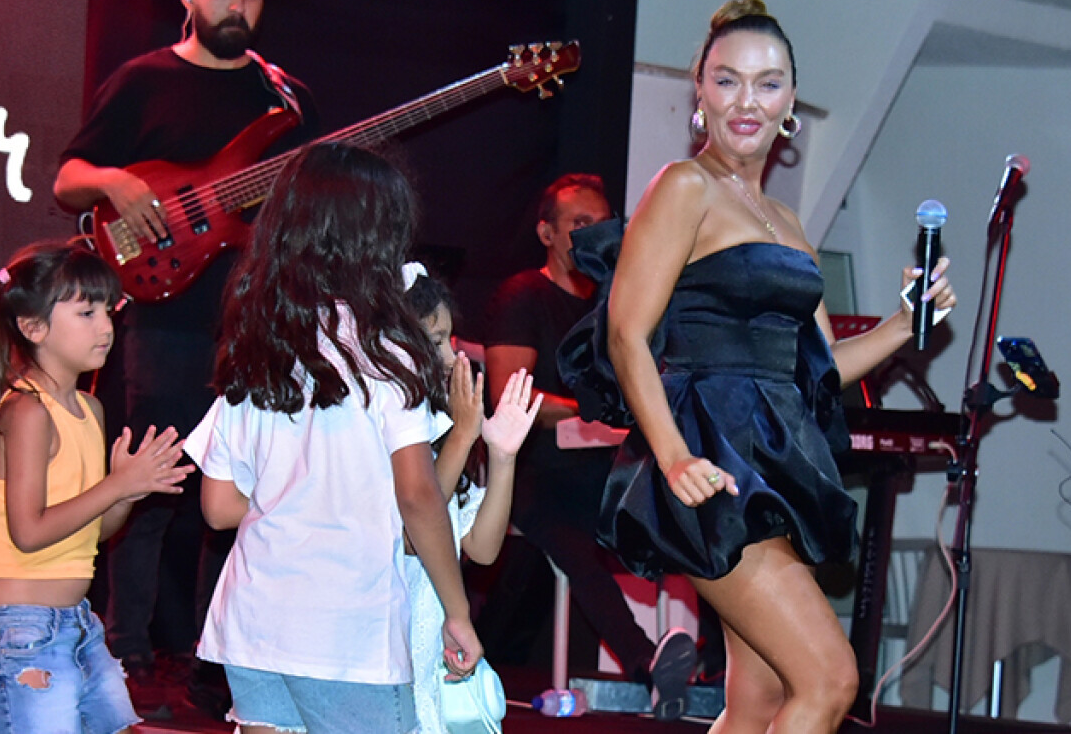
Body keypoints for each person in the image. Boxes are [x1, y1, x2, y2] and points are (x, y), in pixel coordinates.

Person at [597, 0, 957, 733]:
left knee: (757, 701)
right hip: (710, 462)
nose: (746, 102)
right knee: (830, 678)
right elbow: (626, 334)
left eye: (767, 83)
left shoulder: (786, 222)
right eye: (727, 80)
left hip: (772, 466)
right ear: (700, 91)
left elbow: (816, 368)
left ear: (791, 101)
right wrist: (673, 456)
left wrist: (902, 324)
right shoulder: (685, 187)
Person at [53, 0, 317, 715]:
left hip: (252, 321)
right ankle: (125, 650)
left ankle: (215, 659)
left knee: (238, 494)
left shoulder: (281, 96)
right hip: (165, 316)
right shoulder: (144, 80)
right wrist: (115, 183)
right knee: (153, 484)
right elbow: (67, 179)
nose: (237, 5)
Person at [183, 142, 483, 734]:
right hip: (346, 632)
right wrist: (458, 611)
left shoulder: (256, 348)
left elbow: (218, 507)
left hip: (251, 624)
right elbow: (418, 496)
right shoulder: (387, 351)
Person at [0, 238, 193, 733]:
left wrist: (126, 492)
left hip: (73, 621)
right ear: (33, 327)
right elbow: (29, 532)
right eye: (87, 313)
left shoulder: (90, 408)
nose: (106, 327)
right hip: (21, 625)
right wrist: (116, 485)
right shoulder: (27, 410)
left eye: (109, 311)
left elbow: (94, 531)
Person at [482, 173, 697, 718]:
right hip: (540, 475)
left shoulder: (618, 303)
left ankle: (727, 668)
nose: (595, 234)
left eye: (603, 224)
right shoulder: (523, 295)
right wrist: (588, 411)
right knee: (577, 550)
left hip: (610, 470)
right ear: (546, 233)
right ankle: (648, 665)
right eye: (580, 224)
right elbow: (509, 398)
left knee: (696, 522)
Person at [402, 264, 541, 733]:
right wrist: (463, 435)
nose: (450, 356)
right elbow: (411, 533)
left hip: (429, 636)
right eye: (435, 340)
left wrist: (502, 456)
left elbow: (481, 548)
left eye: (450, 339)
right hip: (381, 637)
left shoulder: (443, 422)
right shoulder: (387, 426)